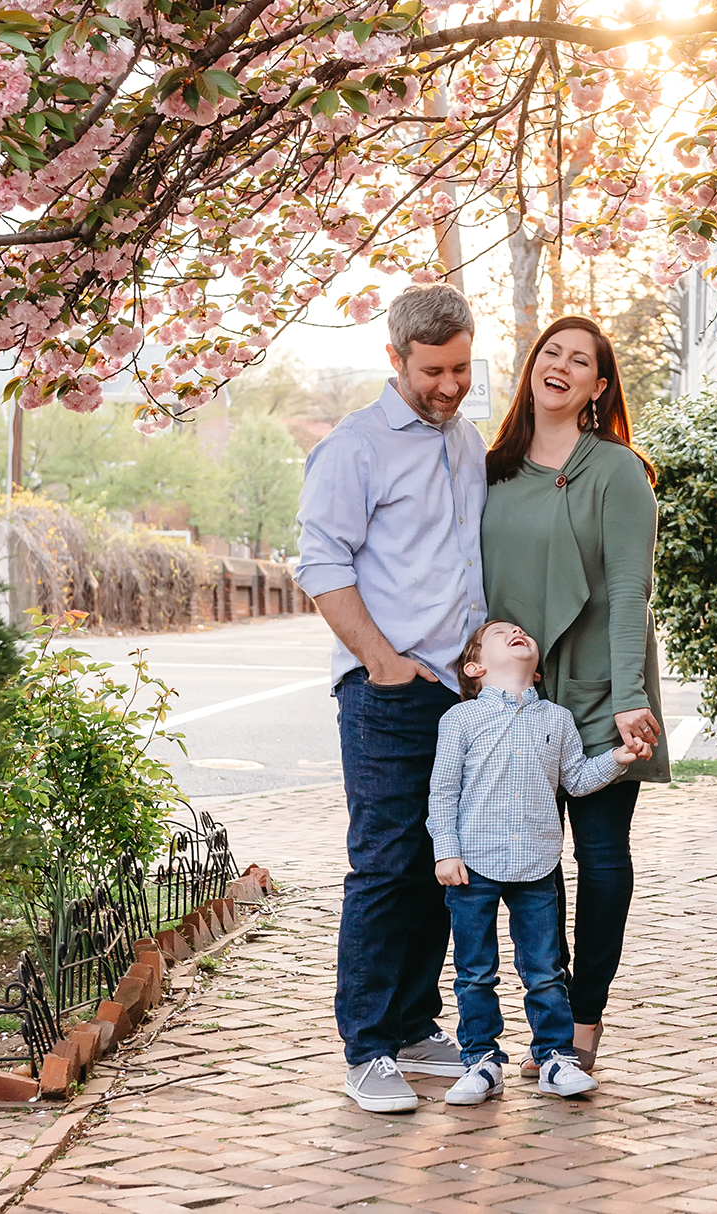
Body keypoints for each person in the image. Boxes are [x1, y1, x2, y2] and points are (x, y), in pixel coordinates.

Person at [295, 283, 487, 1114]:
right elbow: (321, 564)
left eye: (461, 368)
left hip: (459, 690)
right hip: (388, 691)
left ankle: (413, 1024)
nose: (448, 386)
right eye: (432, 371)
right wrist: (381, 660)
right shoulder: (356, 448)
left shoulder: (466, 439)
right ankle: (367, 1046)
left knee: (437, 864)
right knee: (381, 866)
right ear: (395, 360)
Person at [481, 315, 669, 1078]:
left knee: (598, 857)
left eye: (579, 360)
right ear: (532, 367)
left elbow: (631, 590)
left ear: (598, 386)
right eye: (550, 352)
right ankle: (547, 1019)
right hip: (517, 699)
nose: (560, 365)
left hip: (597, 693)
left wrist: (628, 696)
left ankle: (582, 1021)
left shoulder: (617, 469)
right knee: (528, 864)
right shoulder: (490, 468)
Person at [427, 619, 651, 1105]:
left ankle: (555, 1058)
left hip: (536, 867)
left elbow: (576, 779)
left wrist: (617, 759)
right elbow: (443, 792)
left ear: (538, 670)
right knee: (474, 971)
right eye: (500, 632)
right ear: (476, 665)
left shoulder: (557, 719)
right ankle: (481, 1062)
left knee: (545, 969)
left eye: (522, 631)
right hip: (473, 868)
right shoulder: (460, 720)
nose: (516, 632)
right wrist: (445, 850)